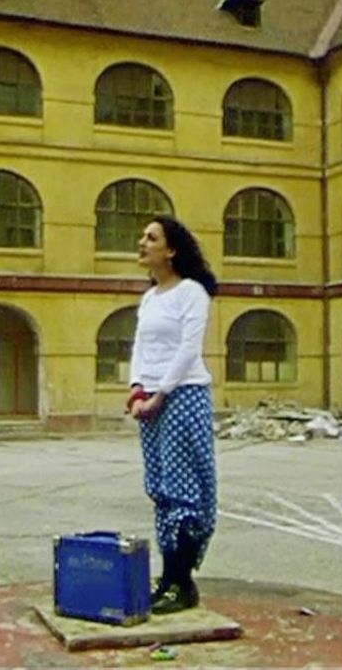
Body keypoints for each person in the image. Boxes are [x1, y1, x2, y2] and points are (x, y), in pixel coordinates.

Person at [126, 214, 218, 615]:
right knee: (161, 487)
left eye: (151, 237)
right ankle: (168, 579)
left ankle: (183, 584)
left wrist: (160, 394)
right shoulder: (150, 298)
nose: (142, 243)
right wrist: (135, 390)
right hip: (150, 402)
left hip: (183, 397)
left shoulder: (191, 293)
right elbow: (140, 349)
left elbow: (187, 350)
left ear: (172, 249)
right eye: (143, 237)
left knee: (182, 489)